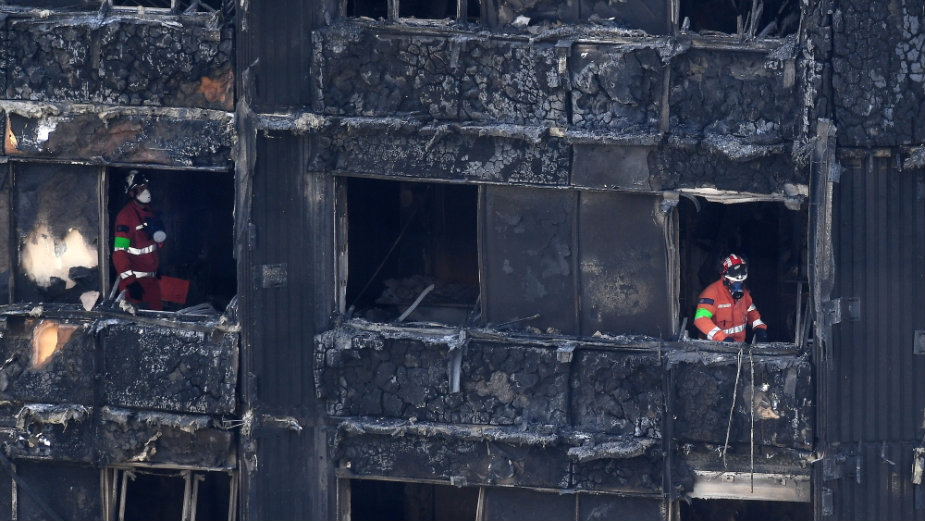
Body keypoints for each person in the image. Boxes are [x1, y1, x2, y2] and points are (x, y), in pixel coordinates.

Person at [112, 171, 167, 310]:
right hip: (135, 285)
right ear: (131, 193)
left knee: (156, 319)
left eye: (146, 187)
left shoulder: (149, 212)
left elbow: (152, 245)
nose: (146, 191)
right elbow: (119, 252)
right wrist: (131, 283)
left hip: (152, 281)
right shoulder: (125, 217)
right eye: (141, 189)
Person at [693, 253, 768, 343]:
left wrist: (760, 328)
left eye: (740, 281)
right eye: (734, 281)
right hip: (713, 349)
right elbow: (701, 319)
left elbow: (751, 312)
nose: (738, 284)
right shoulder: (711, 293)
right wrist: (722, 338)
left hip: (738, 347)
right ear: (724, 277)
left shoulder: (744, 293)